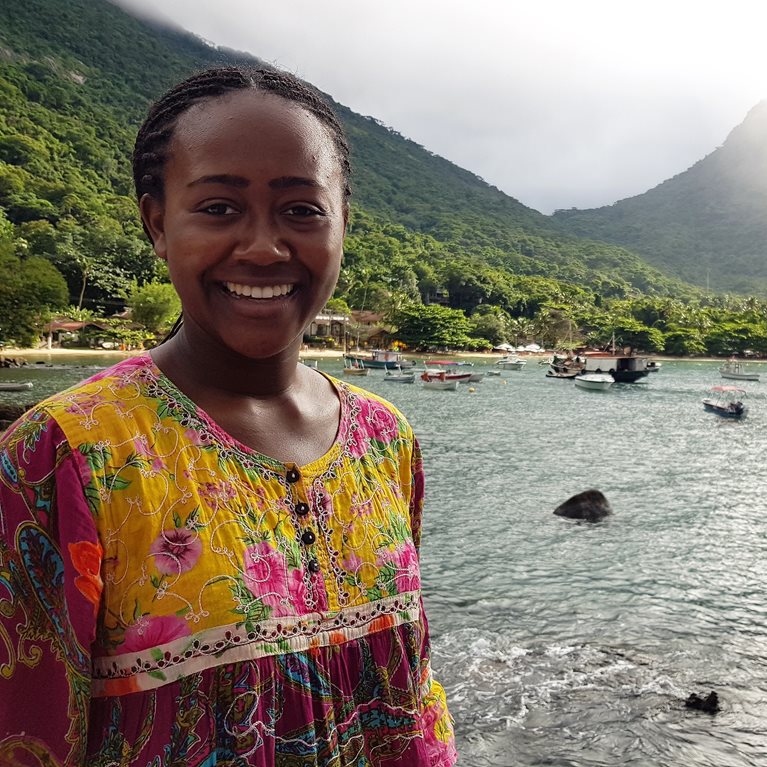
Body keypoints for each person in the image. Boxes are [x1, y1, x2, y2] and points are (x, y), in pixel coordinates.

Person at [0, 67, 456, 766]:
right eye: (218, 208)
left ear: (342, 222)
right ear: (158, 223)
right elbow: (25, 731)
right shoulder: (67, 454)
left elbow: (415, 687)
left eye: (302, 209)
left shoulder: (383, 436)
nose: (264, 247)